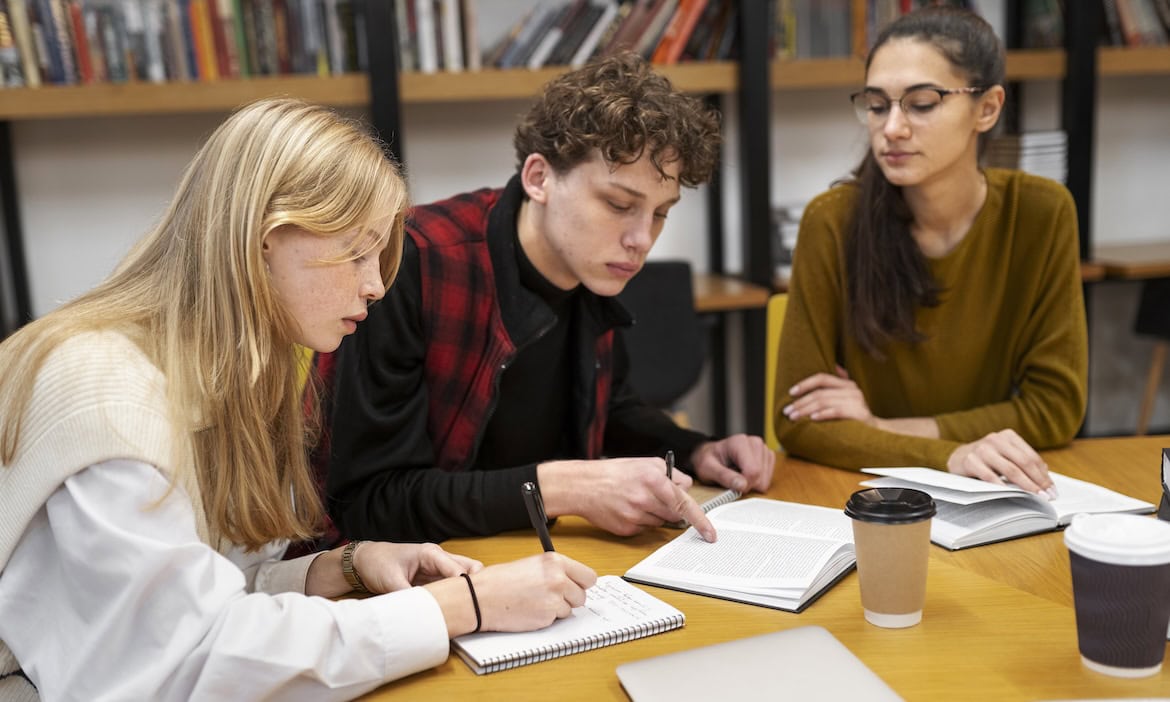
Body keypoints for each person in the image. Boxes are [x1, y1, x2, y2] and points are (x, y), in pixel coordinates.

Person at [0, 98, 597, 701]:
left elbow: (206, 586)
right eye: (357, 252)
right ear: (263, 242)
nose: (374, 285)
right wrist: (459, 606)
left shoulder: (240, 367)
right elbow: (188, 663)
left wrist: (339, 568)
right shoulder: (105, 384)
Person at [318, 53, 775, 546]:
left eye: (660, 213)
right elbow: (370, 505)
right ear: (539, 178)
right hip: (411, 574)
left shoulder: (595, 265)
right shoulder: (412, 263)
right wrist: (559, 487)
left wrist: (696, 449)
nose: (641, 239)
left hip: (539, 557)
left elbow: (607, 407)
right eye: (619, 205)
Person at [773, 7, 1087, 497]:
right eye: (877, 106)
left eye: (922, 103)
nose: (892, 128)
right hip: (866, 497)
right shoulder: (831, 221)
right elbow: (798, 423)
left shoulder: (1041, 213)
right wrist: (951, 455)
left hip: (1000, 495)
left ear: (987, 108)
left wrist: (881, 425)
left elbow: (1056, 409)